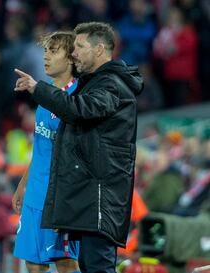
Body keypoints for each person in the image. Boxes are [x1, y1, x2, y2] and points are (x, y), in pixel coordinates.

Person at [14, 22, 143, 273]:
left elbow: (79, 111)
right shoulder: (57, 95)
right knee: (37, 263)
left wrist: (36, 88)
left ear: (99, 50)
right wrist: (24, 183)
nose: (74, 52)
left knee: (79, 264)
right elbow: (44, 145)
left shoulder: (94, 89)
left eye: (78, 47)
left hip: (82, 195)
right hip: (56, 193)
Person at [12, 31, 80, 273]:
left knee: (65, 263)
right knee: (32, 264)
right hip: (36, 193)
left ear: (72, 58)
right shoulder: (44, 96)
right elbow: (42, 147)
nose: (46, 57)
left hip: (60, 197)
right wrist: (23, 184)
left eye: (53, 51)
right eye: (45, 51)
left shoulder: (79, 98)